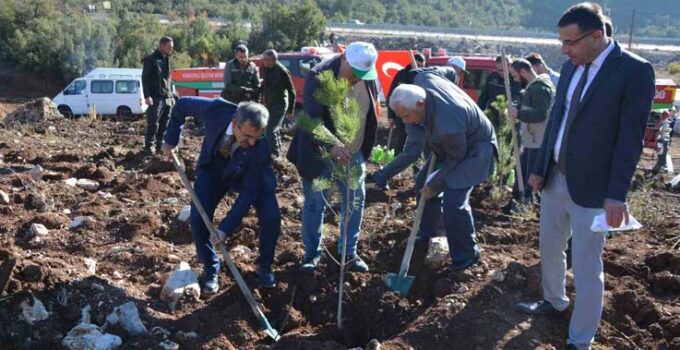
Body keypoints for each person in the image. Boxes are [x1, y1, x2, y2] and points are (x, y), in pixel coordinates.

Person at [515, 3, 655, 350]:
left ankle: (580, 340)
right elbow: (556, 123)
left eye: (570, 42)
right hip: (555, 178)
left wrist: (616, 193)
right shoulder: (571, 66)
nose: (564, 49)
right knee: (549, 247)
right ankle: (554, 301)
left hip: (595, 189)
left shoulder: (634, 71)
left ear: (597, 36)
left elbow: (630, 138)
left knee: (587, 265)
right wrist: (539, 168)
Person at [161, 97, 281, 292]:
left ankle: (264, 266)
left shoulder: (260, 148)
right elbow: (181, 105)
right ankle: (211, 268)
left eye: (256, 137)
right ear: (235, 123)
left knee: (271, 216)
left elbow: (248, 194)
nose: (252, 142)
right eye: (248, 136)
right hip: (215, 168)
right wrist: (170, 140)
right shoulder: (216, 110)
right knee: (198, 217)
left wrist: (225, 228)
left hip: (250, 173)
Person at [389, 69, 498, 271]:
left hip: (475, 149)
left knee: (454, 201)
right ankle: (430, 232)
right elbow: (443, 71)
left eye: (406, 116)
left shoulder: (446, 126)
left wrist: (435, 185)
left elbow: (455, 158)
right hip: (454, 143)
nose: (404, 122)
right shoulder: (423, 78)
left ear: (421, 105)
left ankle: (466, 256)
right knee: (422, 182)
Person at [287, 42, 380, 273]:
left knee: (355, 202)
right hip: (321, 154)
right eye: (355, 74)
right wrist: (334, 145)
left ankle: (348, 253)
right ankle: (312, 255)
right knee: (315, 204)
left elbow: (370, 113)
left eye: (363, 75)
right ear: (345, 59)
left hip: (353, 153)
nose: (358, 79)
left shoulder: (366, 75)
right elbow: (311, 119)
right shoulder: (320, 75)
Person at [373, 66, 457, 191]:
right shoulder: (415, 76)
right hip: (413, 115)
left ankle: (425, 183)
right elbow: (393, 95)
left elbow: (452, 73)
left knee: (433, 153)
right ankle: (382, 175)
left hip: (429, 119)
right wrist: (391, 116)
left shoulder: (444, 81)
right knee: (414, 150)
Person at [505, 58, 556, 212]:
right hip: (531, 140)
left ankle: (524, 207)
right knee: (521, 169)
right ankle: (515, 203)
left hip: (538, 141)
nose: (514, 79)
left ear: (523, 72)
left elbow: (541, 114)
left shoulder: (540, 88)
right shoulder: (533, 87)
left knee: (529, 176)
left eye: (515, 76)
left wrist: (518, 113)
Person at [386, 53, 426, 157]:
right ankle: (396, 162)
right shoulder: (402, 74)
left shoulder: (423, 76)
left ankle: (417, 166)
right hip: (402, 112)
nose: (420, 67)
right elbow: (392, 94)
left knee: (418, 140)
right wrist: (391, 115)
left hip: (416, 113)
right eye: (418, 65)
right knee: (401, 138)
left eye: (422, 65)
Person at [142, 36, 174, 155]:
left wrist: (172, 95)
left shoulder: (167, 59)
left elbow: (168, 78)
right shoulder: (151, 59)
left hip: (167, 97)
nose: (171, 49)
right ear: (161, 46)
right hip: (155, 97)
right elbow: (144, 78)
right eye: (169, 47)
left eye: (172, 47)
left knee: (165, 123)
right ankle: (149, 147)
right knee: (153, 123)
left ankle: (160, 146)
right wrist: (147, 96)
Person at [261, 49, 296, 158]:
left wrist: (290, 110)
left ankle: (275, 157)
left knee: (270, 130)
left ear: (272, 60)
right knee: (273, 129)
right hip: (269, 103)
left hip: (280, 105)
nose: (263, 62)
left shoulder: (282, 71)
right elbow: (265, 86)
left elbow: (292, 91)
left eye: (265, 60)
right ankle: (279, 151)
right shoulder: (265, 69)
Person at [478, 55, 522, 129]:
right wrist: (479, 111)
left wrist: (511, 107)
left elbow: (518, 96)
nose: (501, 72)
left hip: (509, 116)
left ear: (509, 66)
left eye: (503, 70)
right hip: (492, 115)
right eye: (499, 70)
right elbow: (484, 96)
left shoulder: (516, 79)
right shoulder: (492, 77)